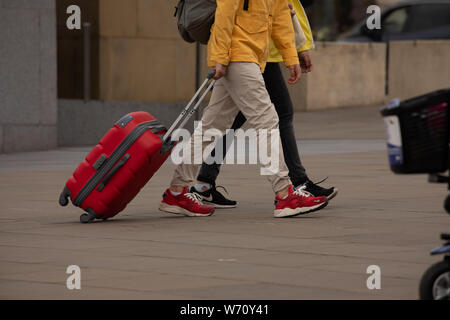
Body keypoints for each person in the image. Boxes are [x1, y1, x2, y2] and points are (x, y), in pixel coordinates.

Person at [159, 0, 328, 218]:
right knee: (266, 120)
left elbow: (280, 18)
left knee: (211, 127)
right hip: (237, 55)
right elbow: (224, 17)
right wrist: (219, 58)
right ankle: (285, 195)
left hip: (252, 56)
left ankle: (176, 192)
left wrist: (291, 57)